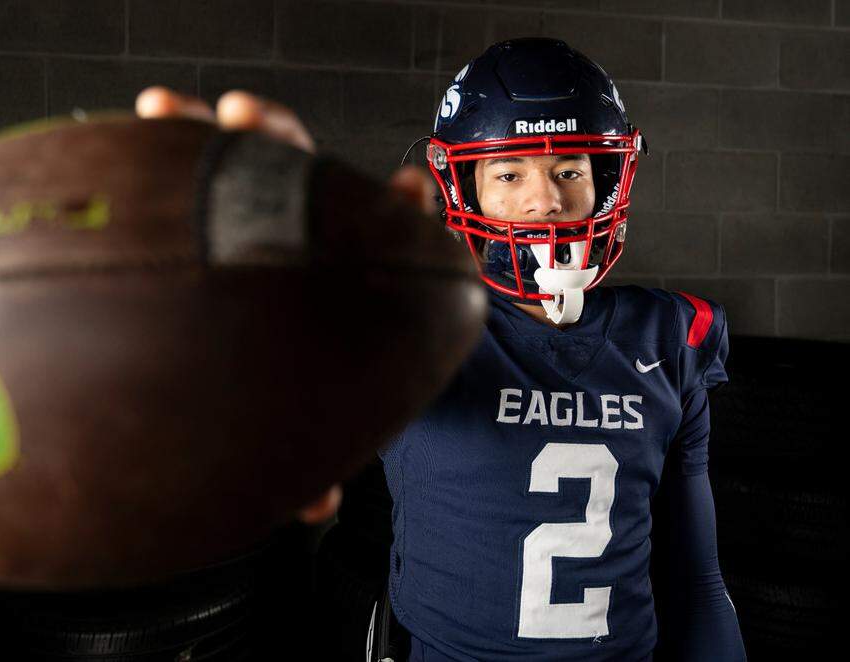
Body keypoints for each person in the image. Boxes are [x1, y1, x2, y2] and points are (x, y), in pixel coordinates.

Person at [136, 35, 745, 662]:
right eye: (510, 174)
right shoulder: (412, 324)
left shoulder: (675, 338)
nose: (546, 201)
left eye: (569, 171)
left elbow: (697, 581)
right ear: (465, 189)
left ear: (608, 180)